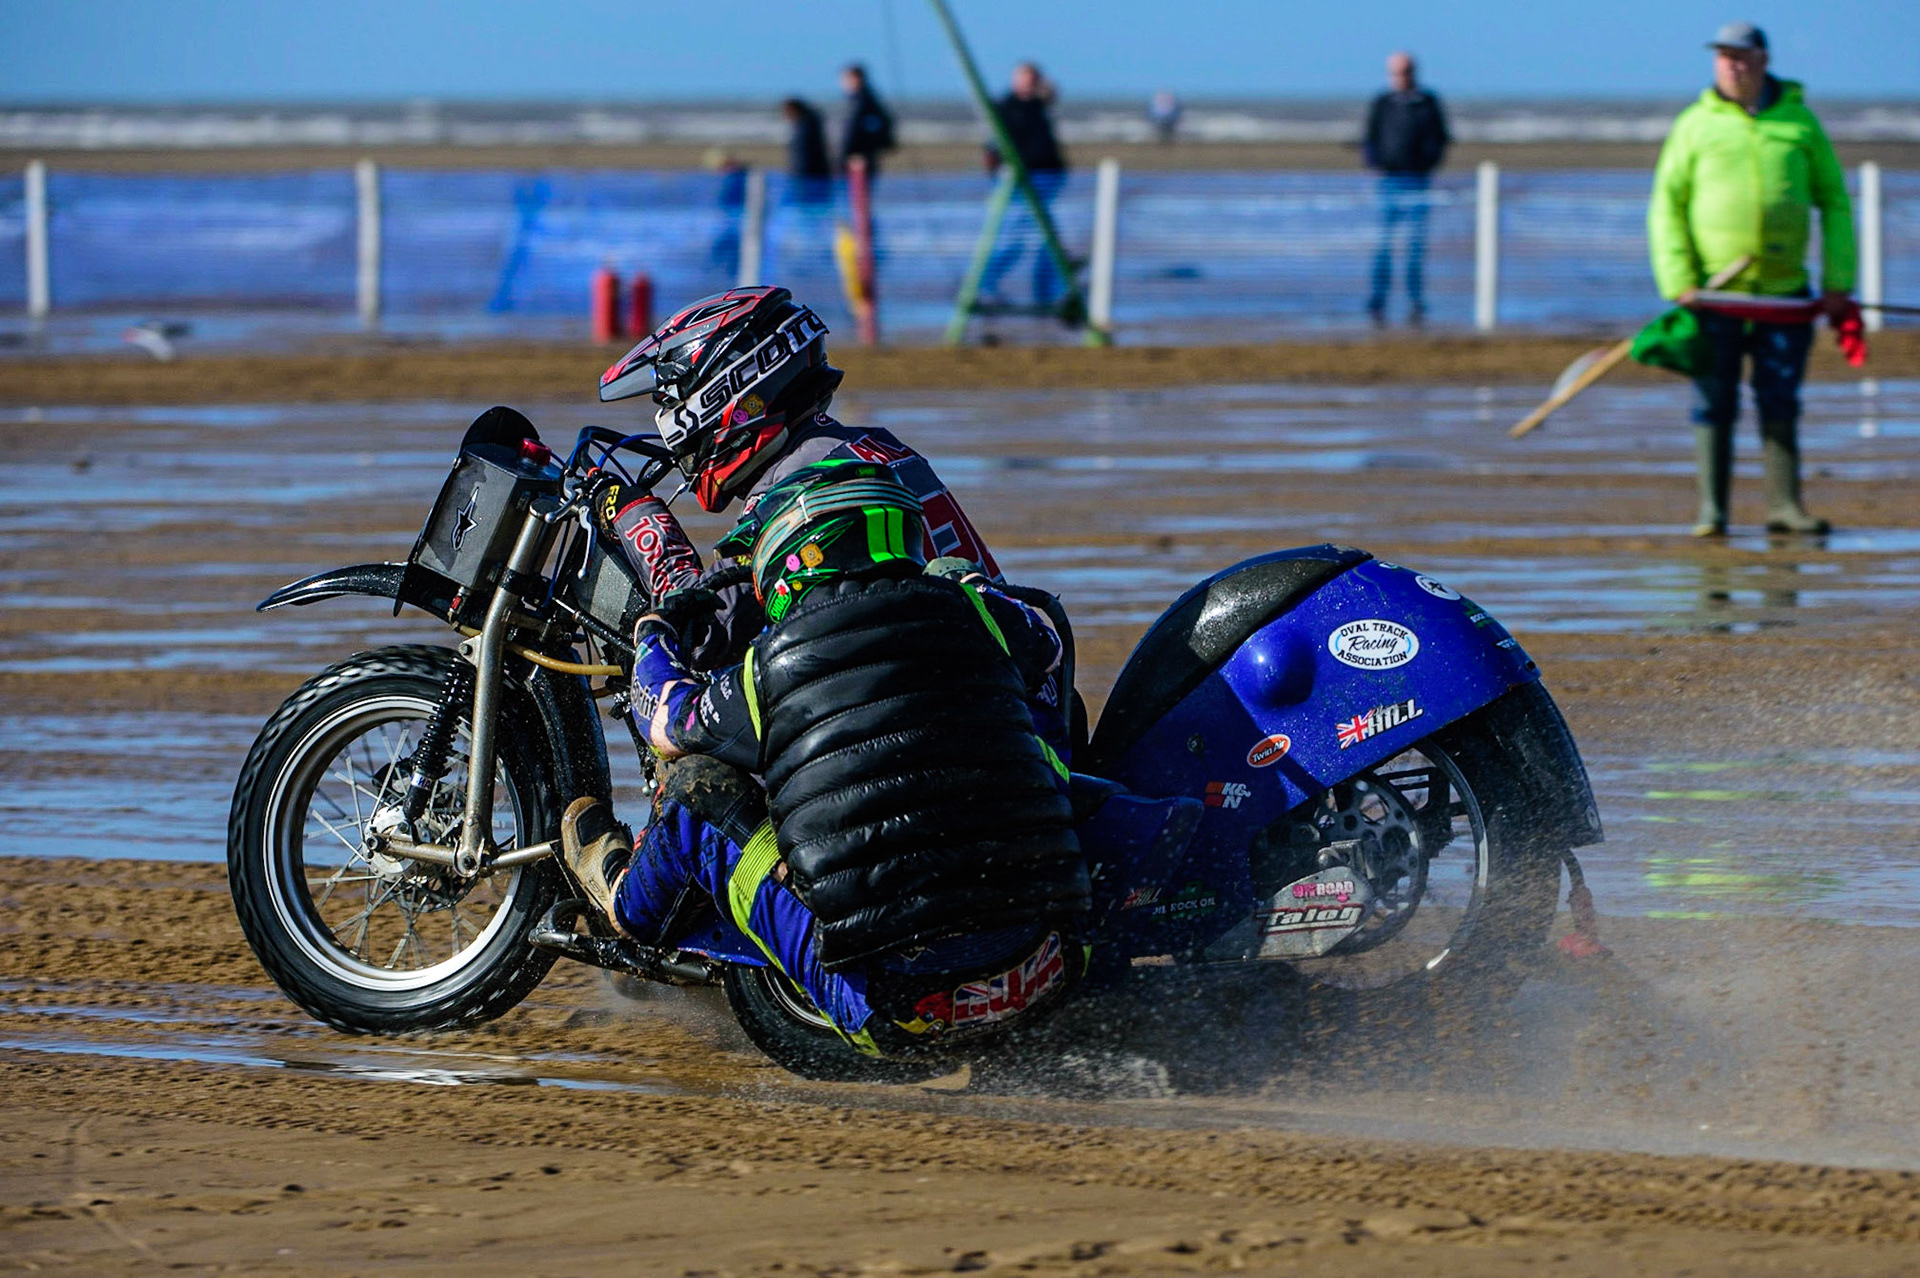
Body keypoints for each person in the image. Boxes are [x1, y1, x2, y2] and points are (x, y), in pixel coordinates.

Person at [560, 457, 1089, 1054]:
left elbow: (666, 721)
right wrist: (968, 585)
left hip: (894, 1012)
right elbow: (1046, 646)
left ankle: (630, 908)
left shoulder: (769, 669)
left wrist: (655, 633)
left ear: (791, 556)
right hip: (1053, 969)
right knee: (1037, 727)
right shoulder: (984, 618)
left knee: (696, 790)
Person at [1648, 21, 1854, 536]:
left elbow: (1834, 202)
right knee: (1714, 398)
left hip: (1786, 296)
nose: (1732, 65)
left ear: (1763, 59)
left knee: (1780, 397)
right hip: (1712, 296)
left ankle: (1785, 506)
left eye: (1741, 56)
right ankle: (1711, 512)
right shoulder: (1695, 124)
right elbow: (1666, 206)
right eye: (1723, 56)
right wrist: (1678, 279)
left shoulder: (1800, 122)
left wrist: (1838, 282)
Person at [1362, 52, 1449, 327]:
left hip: (1418, 182)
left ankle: (1415, 304)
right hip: (1388, 181)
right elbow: (1370, 137)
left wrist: (1428, 161)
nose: (1401, 77)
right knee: (1384, 247)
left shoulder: (1428, 102)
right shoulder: (1383, 102)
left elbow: (1440, 137)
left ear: (1414, 72)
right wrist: (1376, 162)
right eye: (1395, 72)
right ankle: (1377, 303)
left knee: (1415, 248)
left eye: (1405, 71)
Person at [979, 61, 1069, 309]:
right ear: (1016, 80)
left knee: (1047, 241)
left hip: (1046, 177)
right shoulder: (1006, 106)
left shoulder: (1039, 105)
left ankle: (1048, 293)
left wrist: (1046, 93)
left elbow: (1051, 98)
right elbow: (991, 146)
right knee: (1013, 237)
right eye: (1025, 78)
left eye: (1033, 79)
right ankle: (984, 285)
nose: (1029, 84)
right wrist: (996, 174)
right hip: (1019, 181)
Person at [837, 63, 896, 178]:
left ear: (856, 78)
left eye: (845, 79)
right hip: (864, 155)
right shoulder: (866, 99)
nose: (843, 83)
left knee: (860, 193)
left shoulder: (861, 101)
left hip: (859, 157)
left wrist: (847, 154)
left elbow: (853, 129)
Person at [782, 98, 832, 182]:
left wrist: (797, 173)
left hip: (808, 174)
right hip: (810, 172)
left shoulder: (805, 127)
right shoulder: (806, 124)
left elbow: (803, 153)